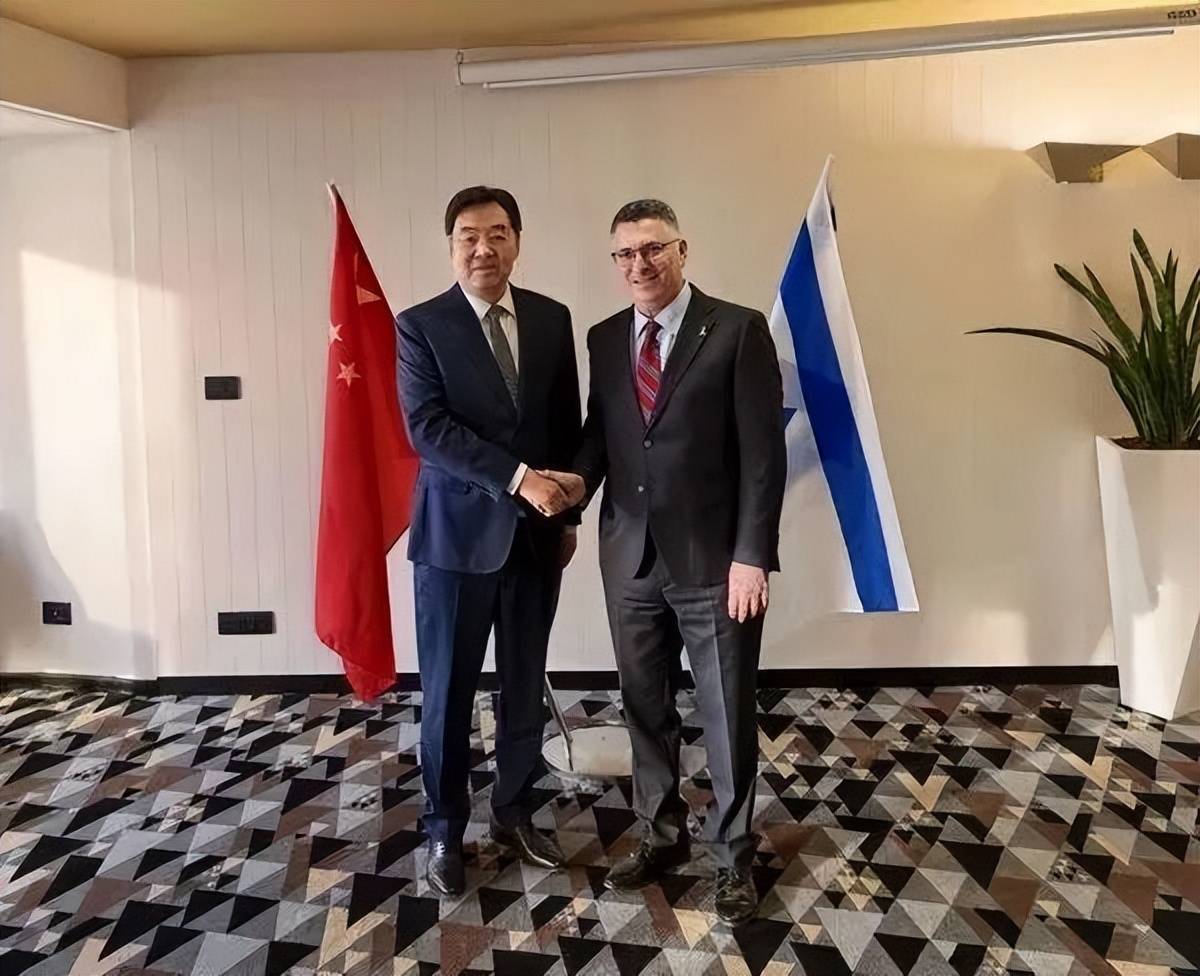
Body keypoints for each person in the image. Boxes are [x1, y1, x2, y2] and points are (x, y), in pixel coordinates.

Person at [557, 199, 786, 924]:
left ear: (682, 250)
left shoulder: (738, 329)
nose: (640, 265)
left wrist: (752, 556)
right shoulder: (603, 338)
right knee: (644, 706)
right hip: (629, 559)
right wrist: (573, 489)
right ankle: (659, 834)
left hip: (715, 563)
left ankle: (734, 855)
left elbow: (763, 456)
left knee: (724, 712)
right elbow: (605, 434)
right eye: (626, 253)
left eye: (653, 249)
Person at [394, 186, 582, 897]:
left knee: (524, 685)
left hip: (536, 541)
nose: (484, 248)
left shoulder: (551, 318)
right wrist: (519, 479)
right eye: (469, 236)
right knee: (447, 692)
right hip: (454, 544)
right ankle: (444, 826)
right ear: (451, 247)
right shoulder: (421, 326)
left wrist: (567, 517)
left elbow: (564, 421)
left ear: (517, 241)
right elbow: (429, 430)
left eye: (498, 233)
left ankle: (514, 809)